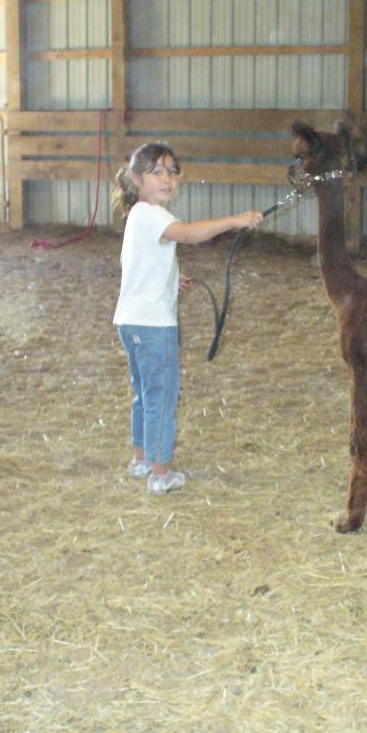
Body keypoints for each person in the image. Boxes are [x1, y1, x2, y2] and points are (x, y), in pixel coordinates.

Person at [113, 142, 263, 495]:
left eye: (171, 171)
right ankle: (161, 474)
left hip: (130, 322)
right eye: (156, 172)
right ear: (137, 179)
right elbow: (189, 234)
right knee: (162, 397)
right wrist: (235, 219)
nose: (167, 179)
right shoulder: (153, 214)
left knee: (144, 394)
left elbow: (140, 261)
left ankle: (141, 460)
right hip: (154, 326)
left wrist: (171, 278)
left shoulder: (137, 215)